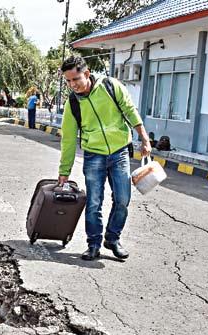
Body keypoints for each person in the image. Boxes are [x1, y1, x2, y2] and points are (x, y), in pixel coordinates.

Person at [58, 55, 151, 261]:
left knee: (122, 199)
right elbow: (69, 140)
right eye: (68, 81)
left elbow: (130, 110)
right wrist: (64, 171)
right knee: (94, 202)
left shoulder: (111, 86)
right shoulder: (72, 103)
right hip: (94, 156)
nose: (72, 85)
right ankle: (93, 245)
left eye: (76, 79)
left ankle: (113, 238)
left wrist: (144, 138)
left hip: (119, 152)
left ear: (87, 74)